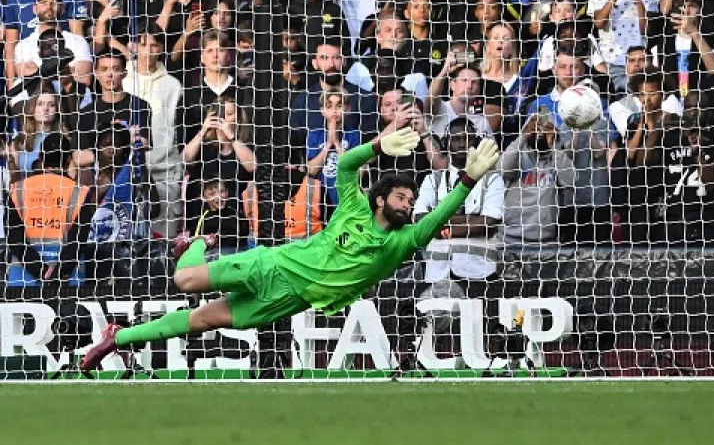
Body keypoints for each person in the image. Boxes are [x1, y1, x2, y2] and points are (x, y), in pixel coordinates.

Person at [81, 126, 502, 370]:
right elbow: (350, 165)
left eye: (410, 203)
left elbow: (438, 217)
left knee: (200, 320)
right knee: (184, 279)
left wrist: (468, 179)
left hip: (288, 300)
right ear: (381, 199)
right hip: (271, 264)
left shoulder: (400, 242)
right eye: (400, 199)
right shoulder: (352, 207)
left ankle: (116, 339)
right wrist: (377, 145)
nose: (407, 206)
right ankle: (196, 243)